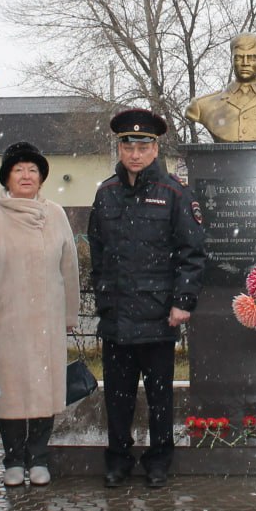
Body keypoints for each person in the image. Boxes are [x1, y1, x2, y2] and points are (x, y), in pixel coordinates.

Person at [89, 109, 206, 487]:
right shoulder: (106, 193)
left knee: (159, 397)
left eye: (142, 147)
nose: (135, 154)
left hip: (158, 315)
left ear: (155, 149)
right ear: (119, 149)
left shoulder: (174, 193)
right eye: (128, 146)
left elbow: (192, 253)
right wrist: (103, 297)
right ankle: (118, 459)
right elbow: (98, 252)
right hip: (118, 314)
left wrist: (182, 301)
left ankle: (159, 460)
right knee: (117, 397)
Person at [0, 142, 81, 487]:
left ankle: (38, 457)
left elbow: (68, 268)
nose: (26, 176)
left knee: (45, 392)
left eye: (32, 170)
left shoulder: (55, 214)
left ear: (41, 178)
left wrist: (69, 315)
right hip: (4, 322)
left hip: (46, 320)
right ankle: (13, 458)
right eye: (18, 170)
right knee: (9, 392)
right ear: (6, 177)